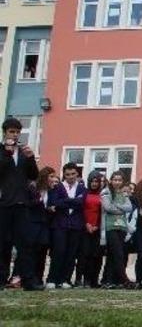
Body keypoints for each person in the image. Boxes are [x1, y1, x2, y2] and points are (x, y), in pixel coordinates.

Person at [0, 117, 43, 291]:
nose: (15, 135)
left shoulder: (23, 152)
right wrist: (7, 154)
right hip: (4, 204)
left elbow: (33, 175)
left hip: (22, 203)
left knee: (25, 243)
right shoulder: (1, 151)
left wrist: (31, 158)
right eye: (12, 131)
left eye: (17, 132)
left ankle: (28, 280)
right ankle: (1, 279)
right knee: (3, 243)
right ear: (5, 133)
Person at [46, 162, 86, 289]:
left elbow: (81, 203)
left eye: (73, 174)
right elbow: (54, 202)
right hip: (60, 224)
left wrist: (64, 202)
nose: (70, 176)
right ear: (64, 174)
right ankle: (52, 279)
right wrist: (72, 201)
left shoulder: (82, 189)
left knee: (71, 253)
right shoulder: (57, 187)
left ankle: (66, 280)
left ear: (77, 174)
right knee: (58, 252)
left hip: (76, 225)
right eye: (68, 174)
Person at [100, 171, 133, 289]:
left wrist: (118, 206)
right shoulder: (106, 192)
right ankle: (124, 279)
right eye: (115, 179)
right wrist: (121, 209)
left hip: (122, 227)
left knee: (113, 255)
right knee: (118, 253)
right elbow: (107, 207)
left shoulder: (123, 193)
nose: (117, 182)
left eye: (120, 180)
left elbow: (129, 207)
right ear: (111, 180)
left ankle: (108, 280)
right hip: (110, 226)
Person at [27, 166, 56, 283]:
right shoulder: (33, 188)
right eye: (51, 176)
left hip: (45, 224)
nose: (53, 179)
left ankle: (39, 278)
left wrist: (49, 208)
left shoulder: (51, 190)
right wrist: (39, 201)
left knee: (42, 250)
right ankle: (30, 277)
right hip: (33, 223)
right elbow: (28, 204)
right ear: (45, 177)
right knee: (33, 251)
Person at [77, 172, 104, 288]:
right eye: (92, 181)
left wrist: (97, 225)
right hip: (85, 228)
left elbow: (103, 212)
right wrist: (86, 224)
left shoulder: (102, 195)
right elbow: (80, 210)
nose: (94, 184)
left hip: (97, 229)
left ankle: (94, 280)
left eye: (96, 182)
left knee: (96, 256)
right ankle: (84, 279)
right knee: (85, 255)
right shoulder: (84, 193)